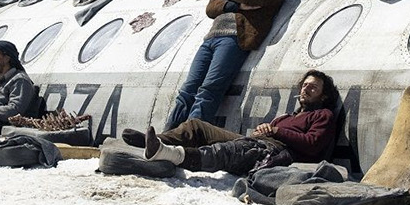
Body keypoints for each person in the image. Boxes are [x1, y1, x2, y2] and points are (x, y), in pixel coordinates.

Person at [165, 0, 289, 127]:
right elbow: (211, 7)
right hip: (211, 38)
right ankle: (169, 133)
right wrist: (235, 3)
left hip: (234, 39)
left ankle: (190, 134)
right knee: (188, 89)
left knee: (210, 89)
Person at [131, 71, 341, 175]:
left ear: (323, 96)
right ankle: (155, 141)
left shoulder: (323, 114)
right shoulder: (287, 116)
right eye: (304, 85)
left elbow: (312, 144)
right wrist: (267, 129)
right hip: (258, 142)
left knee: (228, 151)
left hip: (274, 151)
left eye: (313, 87)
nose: (305, 89)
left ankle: (169, 153)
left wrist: (276, 131)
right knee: (196, 125)